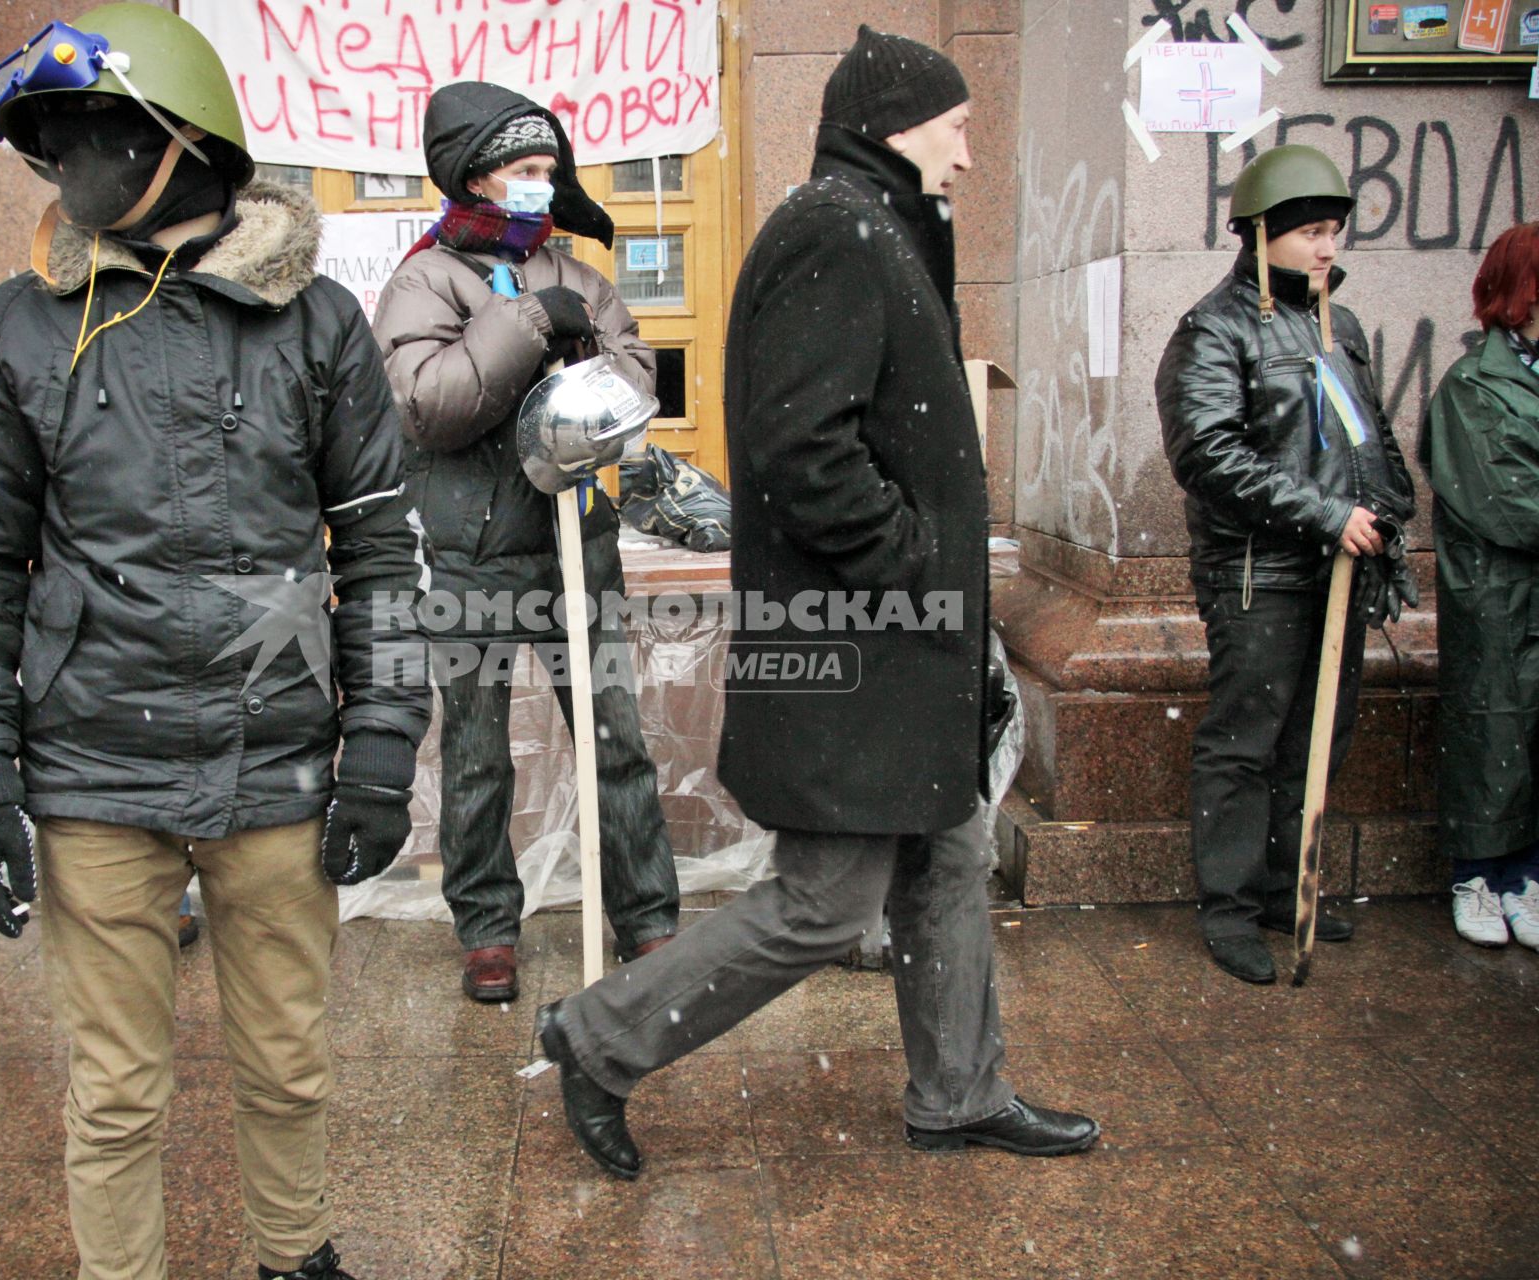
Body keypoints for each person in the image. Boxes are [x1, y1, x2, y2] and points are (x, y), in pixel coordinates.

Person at [0, 8, 429, 1278]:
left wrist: (384, 749)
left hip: (278, 759)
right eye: (52, 140)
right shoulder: (21, 325)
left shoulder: (319, 323)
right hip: (92, 763)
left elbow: (384, 555)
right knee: (117, 1088)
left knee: (290, 1061)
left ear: (181, 138)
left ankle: (293, 1253)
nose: (66, 161)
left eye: (91, 129)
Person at [531, 28, 1099, 1180]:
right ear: (896, 125)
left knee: (947, 851)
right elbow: (802, 450)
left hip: (900, 647)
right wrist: (911, 563)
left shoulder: (874, 226)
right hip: (858, 644)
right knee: (827, 903)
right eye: (958, 129)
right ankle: (600, 1038)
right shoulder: (833, 233)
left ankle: (958, 1090)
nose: (971, 158)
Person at [372, 82, 680, 1004]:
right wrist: (529, 323)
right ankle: (487, 926)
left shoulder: (582, 274)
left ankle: (649, 915)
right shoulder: (423, 280)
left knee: (615, 735)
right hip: (468, 551)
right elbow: (429, 406)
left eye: (551, 170)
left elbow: (633, 388)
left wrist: (591, 359)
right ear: (476, 173)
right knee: (475, 749)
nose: (542, 187)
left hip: (574, 547)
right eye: (524, 169)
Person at [1157, 144, 1416, 984]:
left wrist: (1389, 509)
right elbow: (1209, 455)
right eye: (1310, 231)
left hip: (1338, 572)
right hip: (1258, 574)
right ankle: (1228, 908)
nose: (1327, 246)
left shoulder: (1340, 330)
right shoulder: (1212, 329)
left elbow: (1367, 437)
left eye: (1335, 230)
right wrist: (1326, 515)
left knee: (1314, 740)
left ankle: (1278, 887)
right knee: (1245, 742)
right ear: (1262, 232)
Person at [1423, 222, 1539, 950]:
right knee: (1494, 729)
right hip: (1497, 594)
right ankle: (1480, 874)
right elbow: (1504, 499)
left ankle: (1525, 875)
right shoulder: (1475, 384)